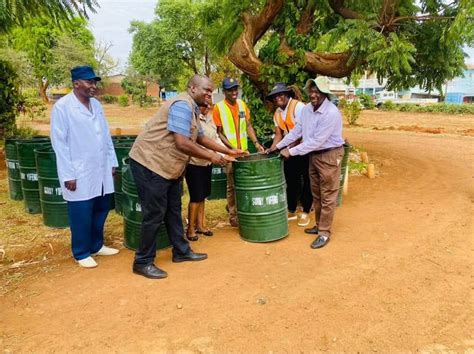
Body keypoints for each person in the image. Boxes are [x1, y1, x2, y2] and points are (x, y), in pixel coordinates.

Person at [129, 75, 245, 279]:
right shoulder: (182, 105)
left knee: (174, 209)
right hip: (150, 164)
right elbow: (182, 143)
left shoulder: (192, 108)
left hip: (168, 168)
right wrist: (214, 157)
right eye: (206, 90)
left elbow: (200, 137)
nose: (209, 95)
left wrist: (229, 151)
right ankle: (142, 261)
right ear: (192, 88)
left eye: (211, 91)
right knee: (154, 213)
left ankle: (181, 251)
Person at [51, 65, 119, 268]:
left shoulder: (96, 105)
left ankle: (96, 245)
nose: (94, 86)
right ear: (76, 83)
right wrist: (68, 174)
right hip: (78, 170)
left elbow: (105, 135)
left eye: (95, 82)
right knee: (81, 211)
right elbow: (59, 143)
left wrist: (112, 162)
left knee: (101, 207)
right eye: (89, 82)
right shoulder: (63, 107)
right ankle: (81, 252)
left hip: (100, 166)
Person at [267, 76, 344, 249]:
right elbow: (297, 131)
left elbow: (316, 141)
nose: (313, 95)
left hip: (329, 155)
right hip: (314, 156)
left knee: (328, 195)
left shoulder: (331, 113)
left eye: (317, 92)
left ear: (325, 94)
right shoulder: (308, 109)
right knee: (316, 193)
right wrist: (278, 146)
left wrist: (291, 151)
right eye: (311, 91)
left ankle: (324, 233)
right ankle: (318, 225)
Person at [213, 77, 264, 227]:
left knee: (245, 183)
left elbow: (248, 125)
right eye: (230, 90)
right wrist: (231, 149)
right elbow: (219, 133)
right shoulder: (218, 108)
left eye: (235, 89)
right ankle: (233, 214)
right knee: (232, 186)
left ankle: (243, 209)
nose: (234, 92)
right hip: (230, 154)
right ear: (224, 92)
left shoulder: (242, 104)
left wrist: (256, 143)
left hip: (245, 153)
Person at [266, 82, 312, 227]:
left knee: (307, 180)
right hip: (289, 150)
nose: (278, 98)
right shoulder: (278, 113)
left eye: (280, 95)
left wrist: (289, 149)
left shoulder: (299, 107)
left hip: (304, 148)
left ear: (287, 95)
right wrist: (272, 148)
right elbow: (279, 134)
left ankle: (306, 211)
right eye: (275, 96)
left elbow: (301, 132)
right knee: (291, 180)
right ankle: (291, 209)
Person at [184, 104, 218, 241]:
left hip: (207, 162)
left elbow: (214, 138)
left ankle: (200, 225)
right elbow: (194, 142)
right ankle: (190, 229)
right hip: (195, 163)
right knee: (195, 197)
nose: (207, 108)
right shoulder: (192, 118)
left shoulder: (210, 118)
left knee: (203, 195)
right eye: (204, 106)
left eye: (209, 106)